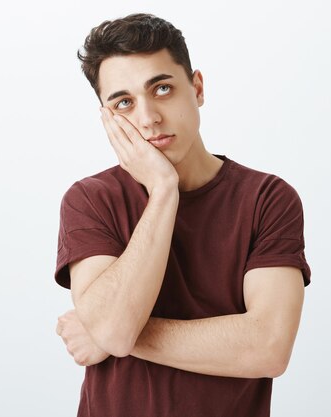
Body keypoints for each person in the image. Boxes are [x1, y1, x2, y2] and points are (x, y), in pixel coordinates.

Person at [54, 13, 311, 417]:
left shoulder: (267, 198)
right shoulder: (90, 200)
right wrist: (162, 191)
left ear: (197, 87)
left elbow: (268, 347)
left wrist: (108, 331)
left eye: (162, 88)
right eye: (124, 102)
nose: (148, 117)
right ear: (106, 116)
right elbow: (114, 329)